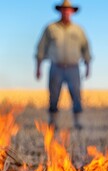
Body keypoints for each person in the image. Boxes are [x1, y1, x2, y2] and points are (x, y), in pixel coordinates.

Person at [35, 0, 92, 130]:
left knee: (76, 95)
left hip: (73, 68)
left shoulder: (78, 30)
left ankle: (77, 122)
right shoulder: (50, 28)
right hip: (56, 67)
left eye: (68, 10)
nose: (66, 12)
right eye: (64, 9)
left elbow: (86, 48)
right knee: (53, 96)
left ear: (72, 12)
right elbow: (41, 48)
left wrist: (88, 66)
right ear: (60, 10)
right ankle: (53, 122)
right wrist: (38, 67)